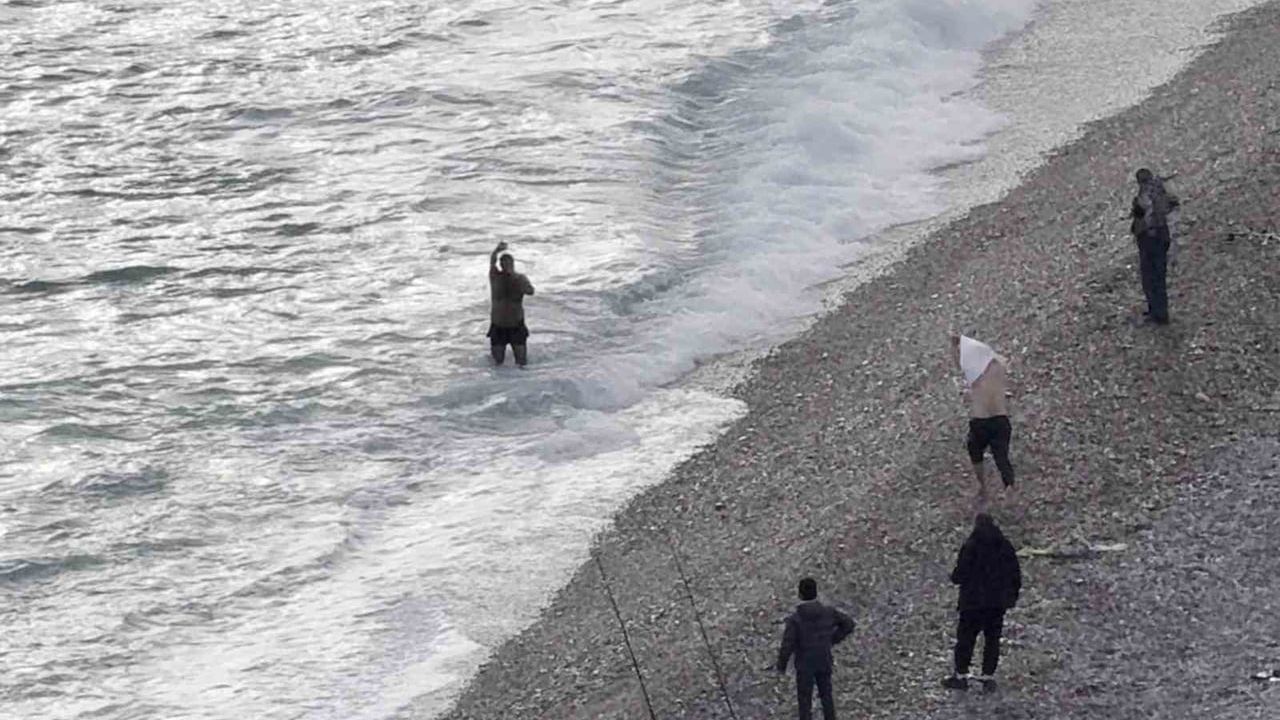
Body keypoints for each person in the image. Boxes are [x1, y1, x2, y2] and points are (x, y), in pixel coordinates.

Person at [942, 513, 1021, 693]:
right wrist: (1011, 598)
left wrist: (953, 577)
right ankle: (987, 677)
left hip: (972, 603)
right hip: (996, 604)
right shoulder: (1005, 546)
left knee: (966, 639)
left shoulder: (971, 545)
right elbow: (1015, 575)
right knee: (992, 640)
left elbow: (959, 575)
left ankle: (961, 676)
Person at [776, 577, 855, 720]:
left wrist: (781, 665)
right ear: (816, 592)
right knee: (826, 696)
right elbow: (849, 624)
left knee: (805, 701)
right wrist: (832, 639)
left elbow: (787, 644)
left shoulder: (796, 619)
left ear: (800, 595)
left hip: (804, 664)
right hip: (823, 659)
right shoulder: (828, 612)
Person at [950, 334, 1014, 495]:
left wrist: (955, 345)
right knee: (1001, 458)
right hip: (1001, 420)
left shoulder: (976, 377)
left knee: (975, 451)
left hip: (981, 421)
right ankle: (1009, 487)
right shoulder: (997, 369)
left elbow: (959, 366)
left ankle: (982, 485)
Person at [1129, 168, 1181, 324]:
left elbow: (1145, 215)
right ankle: (1159, 311)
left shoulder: (1146, 195)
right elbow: (1172, 205)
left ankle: (1157, 313)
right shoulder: (1160, 191)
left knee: (1151, 278)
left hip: (1150, 239)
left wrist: (1137, 213)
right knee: (1158, 277)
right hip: (1161, 236)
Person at [487, 241, 535, 366]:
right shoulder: (495, 277)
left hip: (516, 325)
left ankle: (522, 377)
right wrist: (497, 250)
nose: (505, 267)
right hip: (498, 325)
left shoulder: (520, 278)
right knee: (497, 363)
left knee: (521, 362)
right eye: (503, 264)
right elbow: (492, 262)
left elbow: (531, 291)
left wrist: (518, 282)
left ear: (513, 265)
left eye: (508, 264)